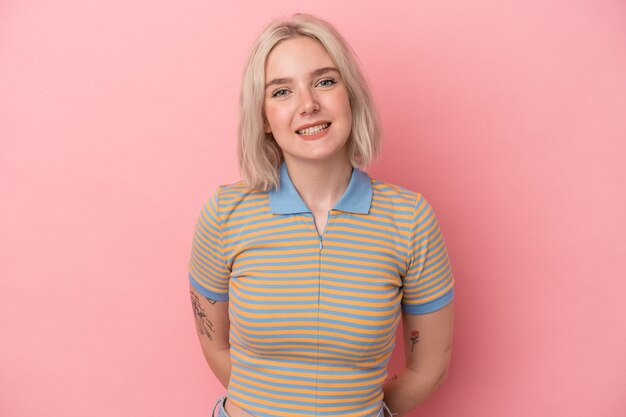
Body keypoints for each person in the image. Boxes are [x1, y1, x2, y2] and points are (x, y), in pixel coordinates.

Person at [189, 13, 455, 417]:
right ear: (262, 117)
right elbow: (216, 346)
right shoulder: (225, 214)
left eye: (325, 82)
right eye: (281, 92)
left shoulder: (410, 220)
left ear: (351, 95)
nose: (308, 104)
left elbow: (429, 368)